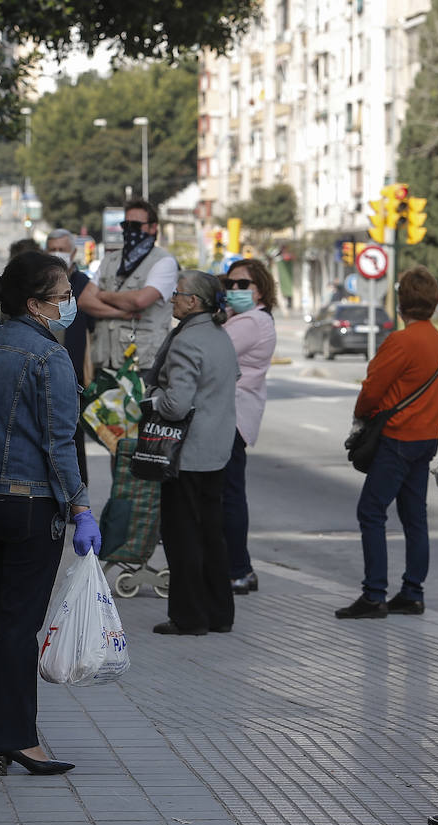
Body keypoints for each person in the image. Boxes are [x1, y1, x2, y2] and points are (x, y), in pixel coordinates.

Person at [0, 251, 101, 777]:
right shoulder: (48, 358)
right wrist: (81, 508)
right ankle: (19, 739)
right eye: (63, 296)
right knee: (19, 626)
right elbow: (60, 444)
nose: (70, 304)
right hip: (28, 504)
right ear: (35, 303)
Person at [336, 266, 438, 619]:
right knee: (414, 517)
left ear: (401, 301)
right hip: (427, 438)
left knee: (371, 512)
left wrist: (361, 415)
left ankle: (374, 595)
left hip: (398, 437)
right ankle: (413, 591)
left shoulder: (401, 341)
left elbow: (372, 388)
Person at [149, 270, 239, 636]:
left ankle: (188, 616)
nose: (172, 298)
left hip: (186, 454)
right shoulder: (221, 338)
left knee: (181, 534)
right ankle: (220, 613)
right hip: (217, 450)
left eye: (177, 293)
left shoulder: (186, 342)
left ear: (194, 302)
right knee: (211, 534)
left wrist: (152, 399)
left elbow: (175, 405)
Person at [221, 258, 278, 595]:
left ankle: (238, 568)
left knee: (229, 497)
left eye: (243, 285)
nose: (235, 290)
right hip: (234, 416)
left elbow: (211, 355)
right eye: (230, 284)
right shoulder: (242, 318)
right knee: (229, 495)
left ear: (260, 290)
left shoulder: (252, 322)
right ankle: (236, 567)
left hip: (233, 416)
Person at [46, 228, 120, 485]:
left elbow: (96, 330)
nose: (58, 254)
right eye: (52, 249)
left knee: (74, 444)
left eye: (62, 249)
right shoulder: (41, 286)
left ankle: (79, 502)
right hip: (45, 374)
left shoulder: (85, 286)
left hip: (77, 378)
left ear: (74, 252)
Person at [90, 200, 179, 379]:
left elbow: (140, 300)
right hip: (106, 361)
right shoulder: (111, 259)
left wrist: (102, 295)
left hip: (142, 364)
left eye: (136, 225)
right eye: (126, 225)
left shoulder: (164, 262)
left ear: (153, 228)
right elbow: (84, 300)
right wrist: (120, 313)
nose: (130, 230)